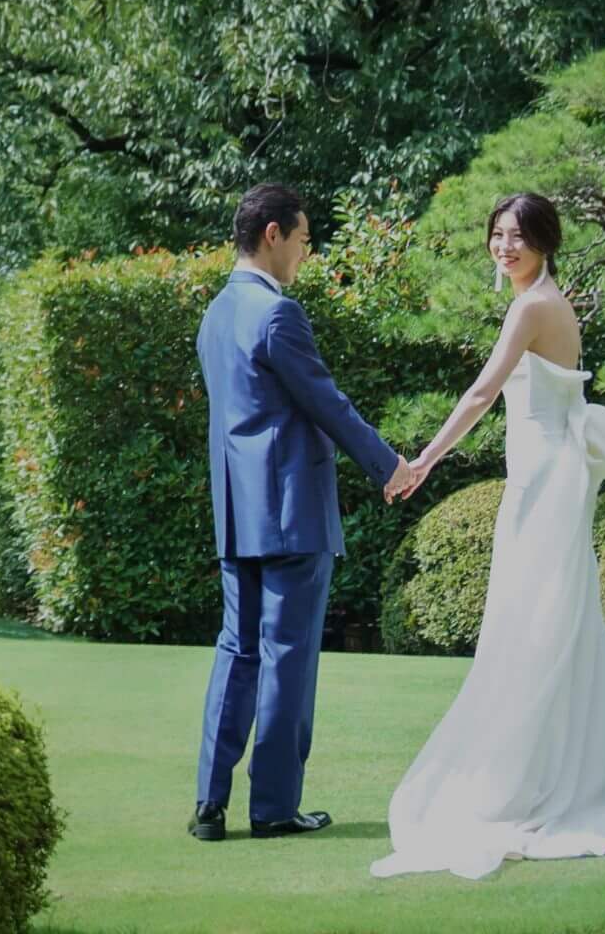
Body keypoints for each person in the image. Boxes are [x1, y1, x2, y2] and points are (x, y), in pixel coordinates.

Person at [370, 191, 605, 881]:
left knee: (536, 626)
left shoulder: (533, 306)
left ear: (546, 242)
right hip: (544, 478)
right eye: (497, 235)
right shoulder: (541, 300)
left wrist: (424, 460)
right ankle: (551, 767)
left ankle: (528, 776)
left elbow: (481, 393)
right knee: (546, 622)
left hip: (547, 483)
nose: (505, 247)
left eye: (518, 236)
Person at [190, 184, 418, 844]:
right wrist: (390, 466)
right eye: (303, 238)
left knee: (237, 651)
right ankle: (273, 809)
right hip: (291, 511)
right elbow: (327, 403)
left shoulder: (214, 316)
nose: (305, 252)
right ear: (273, 234)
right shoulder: (278, 314)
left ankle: (210, 804)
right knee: (288, 655)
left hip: (238, 514)